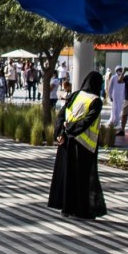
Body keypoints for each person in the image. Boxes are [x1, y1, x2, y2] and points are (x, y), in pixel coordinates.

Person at [48, 71, 109, 220]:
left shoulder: (76, 94)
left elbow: (61, 114)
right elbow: (87, 121)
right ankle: (81, 209)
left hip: (66, 143)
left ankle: (66, 208)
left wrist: (60, 132)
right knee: (82, 179)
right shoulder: (96, 100)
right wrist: (70, 129)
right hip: (83, 146)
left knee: (67, 176)